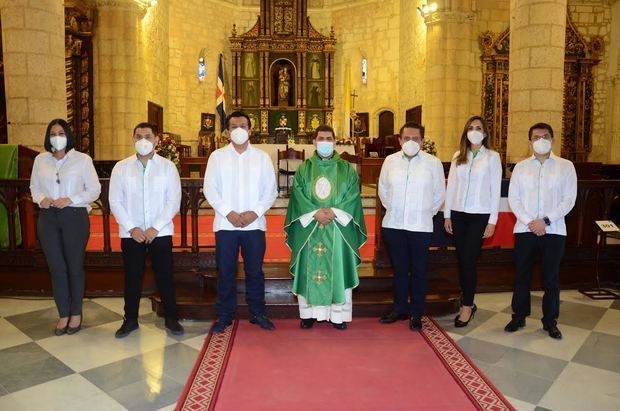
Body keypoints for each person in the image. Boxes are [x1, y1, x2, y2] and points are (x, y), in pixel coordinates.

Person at [285, 125, 367, 330]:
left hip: (337, 227)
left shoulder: (347, 169)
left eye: (328, 138)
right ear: (314, 142)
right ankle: (308, 314)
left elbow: (352, 196)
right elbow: (298, 195)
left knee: (337, 267)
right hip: (310, 227)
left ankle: (337, 316)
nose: (325, 142)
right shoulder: (304, 168)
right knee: (308, 268)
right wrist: (315, 213)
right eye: (321, 138)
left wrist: (333, 213)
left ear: (335, 141)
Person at [204, 111, 278, 334]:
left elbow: (270, 191)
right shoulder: (216, 157)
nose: (238, 130)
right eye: (233, 126)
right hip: (226, 225)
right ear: (226, 132)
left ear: (250, 130)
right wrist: (229, 213)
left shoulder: (262, 157)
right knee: (225, 271)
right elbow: (210, 189)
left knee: (254, 271)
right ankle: (225, 315)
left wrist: (254, 213)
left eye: (242, 126)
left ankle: (257, 313)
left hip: (254, 226)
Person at [109, 122, 184, 338]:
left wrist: (155, 227)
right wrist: (132, 227)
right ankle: (130, 319)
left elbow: (173, 200)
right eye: (139, 136)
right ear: (133, 139)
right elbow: (115, 200)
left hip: (160, 232)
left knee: (164, 276)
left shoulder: (167, 167)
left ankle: (171, 318)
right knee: (132, 276)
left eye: (148, 136)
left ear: (156, 140)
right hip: (131, 233)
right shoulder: (121, 168)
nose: (143, 140)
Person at [505, 122, 577, 339]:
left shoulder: (566, 166)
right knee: (522, 276)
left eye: (545, 136)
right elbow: (514, 199)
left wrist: (545, 221)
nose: (541, 140)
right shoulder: (521, 167)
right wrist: (531, 222)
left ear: (553, 139)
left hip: (554, 230)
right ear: (529, 142)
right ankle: (518, 316)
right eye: (536, 137)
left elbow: (569, 200)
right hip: (525, 229)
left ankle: (550, 321)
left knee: (550, 278)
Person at [30, 119, 101, 336]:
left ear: (68, 135)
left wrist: (71, 198)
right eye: (53, 133)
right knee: (56, 267)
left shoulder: (82, 160)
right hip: (48, 218)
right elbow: (34, 186)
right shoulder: (40, 160)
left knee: (74, 266)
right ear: (47, 137)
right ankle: (63, 313)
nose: (57, 137)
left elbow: (94, 190)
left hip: (74, 216)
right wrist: (41, 198)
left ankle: (76, 312)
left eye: (61, 133)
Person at [378, 122, 445, 331]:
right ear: (399, 140)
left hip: (420, 226)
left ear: (422, 141)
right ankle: (398, 309)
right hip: (394, 224)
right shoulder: (390, 161)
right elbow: (383, 190)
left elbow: (438, 194)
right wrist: (395, 210)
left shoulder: (433, 163)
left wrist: (425, 213)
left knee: (418, 271)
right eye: (406, 138)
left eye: (415, 138)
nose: (411, 142)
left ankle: (417, 313)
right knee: (399, 270)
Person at [444, 116, 502, 327]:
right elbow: (451, 186)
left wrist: (492, 221)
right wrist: (447, 215)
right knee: (463, 260)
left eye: (478, 128)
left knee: (468, 259)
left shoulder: (492, 157)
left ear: (485, 133)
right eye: (471, 127)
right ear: (465, 132)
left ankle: (467, 305)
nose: (474, 131)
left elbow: (495, 191)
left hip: (480, 215)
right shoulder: (458, 155)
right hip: (459, 214)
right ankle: (467, 298)